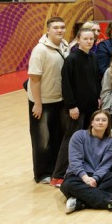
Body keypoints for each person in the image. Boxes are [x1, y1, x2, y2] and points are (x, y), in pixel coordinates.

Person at [54, 27, 101, 185]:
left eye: (91, 39)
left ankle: (81, 171)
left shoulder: (93, 57)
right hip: (77, 109)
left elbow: (95, 80)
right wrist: (72, 106)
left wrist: (98, 97)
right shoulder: (71, 59)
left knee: (87, 140)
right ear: (78, 40)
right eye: (85, 38)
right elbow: (66, 84)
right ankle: (58, 175)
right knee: (71, 140)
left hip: (91, 107)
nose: (89, 41)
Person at [61, 109, 112, 214]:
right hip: (78, 176)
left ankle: (81, 202)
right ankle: (109, 203)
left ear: (108, 124)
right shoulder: (79, 135)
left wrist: (95, 178)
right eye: (97, 120)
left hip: (97, 177)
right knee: (68, 185)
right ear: (92, 122)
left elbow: (105, 166)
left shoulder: (111, 142)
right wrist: (85, 178)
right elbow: (75, 161)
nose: (100, 122)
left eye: (104, 120)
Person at [27, 16, 69, 185]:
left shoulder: (65, 45)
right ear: (48, 30)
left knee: (58, 136)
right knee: (42, 139)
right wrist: (37, 104)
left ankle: (56, 170)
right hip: (42, 102)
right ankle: (42, 173)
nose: (59, 30)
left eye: (62, 27)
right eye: (55, 27)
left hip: (59, 99)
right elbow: (34, 79)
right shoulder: (40, 50)